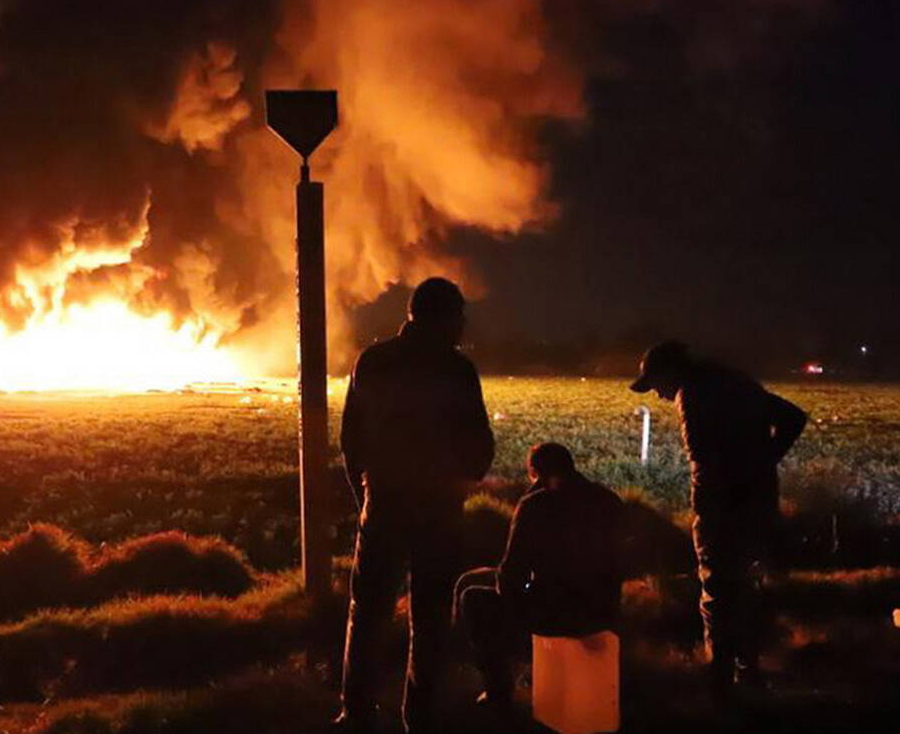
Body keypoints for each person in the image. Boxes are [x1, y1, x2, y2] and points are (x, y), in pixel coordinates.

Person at [333, 277, 495, 734]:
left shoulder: (374, 361)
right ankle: (421, 717)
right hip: (439, 509)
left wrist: (365, 496)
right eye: (459, 317)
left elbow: (352, 440)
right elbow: (479, 442)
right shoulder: (457, 370)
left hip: (385, 502)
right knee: (431, 615)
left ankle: (356, 712)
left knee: (368, 612)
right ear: (443, 318)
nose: (463, 326)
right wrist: (462, 483)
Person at [629, 341, 806, 698]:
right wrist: (764, 461)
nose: (659, 394)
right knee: (747, 585)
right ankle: (749, 670)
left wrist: (710, 504)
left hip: (723, 510)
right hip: (759, 502)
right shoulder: (735, 382)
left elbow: (703, 461)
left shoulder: (692, 395)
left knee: (717, 590)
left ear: (670, 372)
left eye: (657, 384)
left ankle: (720, 677)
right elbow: (793, 417)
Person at [455, 442, 625, 718]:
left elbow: (511, 576)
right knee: (472, 579)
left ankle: (498, 689)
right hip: (602, 610)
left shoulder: (536, 505)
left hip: (555, 613)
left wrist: (525, 503)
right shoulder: (610, 501)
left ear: (535, 473)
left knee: (472, 596)